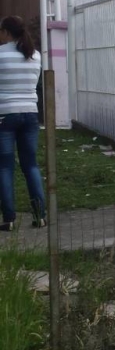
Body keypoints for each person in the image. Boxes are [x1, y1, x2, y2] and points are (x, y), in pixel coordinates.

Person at [0, 16, 44, 231]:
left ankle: (9, 219)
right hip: (30, 115)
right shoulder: (35, 55)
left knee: (5, 168)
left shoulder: (0, 55)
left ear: (6, 32)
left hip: (5, 116)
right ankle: (40, 216)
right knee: (31, 166)